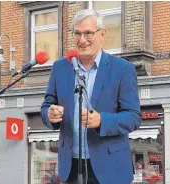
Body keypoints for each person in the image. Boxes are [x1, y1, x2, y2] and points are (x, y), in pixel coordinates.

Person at [41, 9, 141, 184]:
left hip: (111, 169)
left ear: (102, 34)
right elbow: (46, 105)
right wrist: (50, 115)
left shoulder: (122, 69)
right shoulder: (60, 68)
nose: (82, 40)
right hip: (70, 168)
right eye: (77, 33)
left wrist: (102, 120)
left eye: (88, 33)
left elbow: (133, 117)